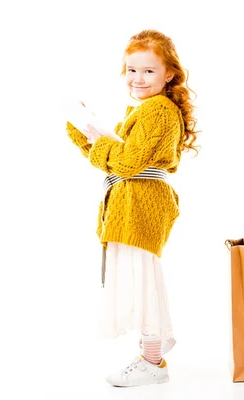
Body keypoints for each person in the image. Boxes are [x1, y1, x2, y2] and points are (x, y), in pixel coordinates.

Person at [65, 29, 199, 387]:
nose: (138, 79)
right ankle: (150, 358)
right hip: (132, 203)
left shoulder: (158, 111)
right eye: (131, 70)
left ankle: (152, 362)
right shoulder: (147, 109)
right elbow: (117, 160)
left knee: (144, 283)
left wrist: (97, 141)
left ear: (169, 73)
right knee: (141, 281)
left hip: (141, 205)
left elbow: (126, 162)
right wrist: (83, 132)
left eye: (149, 71)